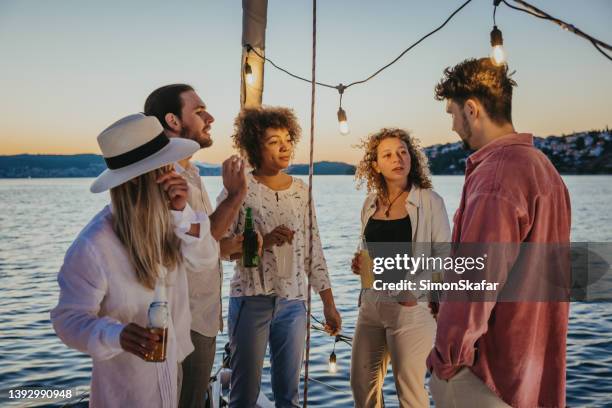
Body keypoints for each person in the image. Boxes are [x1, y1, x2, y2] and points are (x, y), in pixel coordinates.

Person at [427, 58, 571, 407]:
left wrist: (447, 360)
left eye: (452, 113)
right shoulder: (545, 171)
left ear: (472, 109)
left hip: (486, 378)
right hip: (532, 378)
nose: (452, 126)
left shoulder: (495, 177)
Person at [51, 113, 219, 407]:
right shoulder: (94, 246)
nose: (175, 174)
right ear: (151, 177)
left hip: (173, 370)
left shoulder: (174, 219)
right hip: (127, 389)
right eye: (167, 166)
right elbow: (67, 319)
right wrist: (116, 335)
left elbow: (205, 261)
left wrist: (184, 215)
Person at [219, 106, 342, 408]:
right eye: (274, 141)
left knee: (289, 397)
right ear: (254, 146)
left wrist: (329, 304)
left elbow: (314, 250)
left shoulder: (301, 190)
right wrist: (262, 242)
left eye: (287, 139)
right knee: (244, 396)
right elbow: (218, 246)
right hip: (250, 299)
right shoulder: (239, 189)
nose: (285, 146)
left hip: (294, 304)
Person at [144, 84, 247, 408]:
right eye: (200, 111)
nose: (211, 117)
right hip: (182, 318)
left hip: (202, 313)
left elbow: (197, 242)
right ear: (173, 120)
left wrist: (228, 248)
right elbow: (200, 236)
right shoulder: (165, 177)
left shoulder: (191, 173)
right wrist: (235, 195)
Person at [349, 128, 451, 407]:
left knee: (410, 392)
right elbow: (372, 252)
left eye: (403, 152)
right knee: (361, 385)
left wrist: (414, 290)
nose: (398, 158)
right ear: (376, 166)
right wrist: (360, 263)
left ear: (412, 158)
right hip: (372, 305)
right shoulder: (370, 204)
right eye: (388, 154)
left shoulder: (430, 202)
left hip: (411, 309)